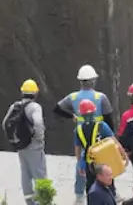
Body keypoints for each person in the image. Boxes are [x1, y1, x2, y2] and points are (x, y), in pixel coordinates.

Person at [54, 65, 116, 201]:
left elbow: (57, 109)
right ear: (93, 80)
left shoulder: (73, 97)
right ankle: (111, 192)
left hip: (81, 135)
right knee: (104, 166)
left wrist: (71, 116)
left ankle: (80, 195)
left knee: (82, 162)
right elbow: (109, 119)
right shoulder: (101, 97)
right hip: (100, 137)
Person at [75, 99, 128, 203]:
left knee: (91, 189)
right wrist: (124, 156)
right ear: (94, 112)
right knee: (108, 188)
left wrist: (80, 165)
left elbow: (78, 149)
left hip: (89, 164)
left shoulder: (78, 129)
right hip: (104, 163)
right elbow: (114, 142)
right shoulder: (101, 126)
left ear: (81, 114)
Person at [4, 78, 47, 204]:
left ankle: (29, 201)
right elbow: (38, 123)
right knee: (39, 174)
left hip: (21, 145)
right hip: (34, 145)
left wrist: (14, 140)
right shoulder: (35, 107)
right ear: (35, 93)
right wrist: (39, 138)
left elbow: (4, 123)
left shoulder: (15, 106)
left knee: (25, 173)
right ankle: (42, 201)